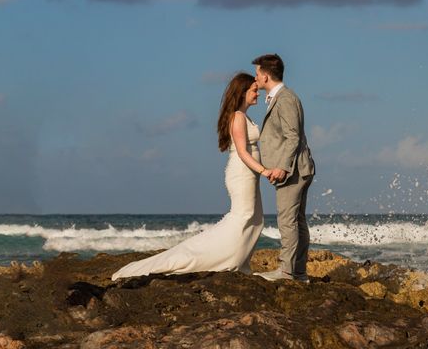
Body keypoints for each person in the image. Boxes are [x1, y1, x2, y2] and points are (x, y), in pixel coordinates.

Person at [111, 73, 269, 280]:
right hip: (242, 173)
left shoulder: (243, 115)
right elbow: (242, 151)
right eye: (254, 90)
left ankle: (238, 261)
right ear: (243, 92)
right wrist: (265, 171)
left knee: (255, 218)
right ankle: (219, 259)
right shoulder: (238, 117)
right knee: (243, 216)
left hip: (247, 173)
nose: (258, 93)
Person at [252, 54, 315, 283]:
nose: (255, 78)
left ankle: (287, 272)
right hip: (298, 168)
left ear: (266, 75)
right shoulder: (280, 97)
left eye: (257, 74)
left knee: (287, 221)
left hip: (294, 170)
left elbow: (293, 137)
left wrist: (282, 167)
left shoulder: (285, 98)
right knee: (296, 221)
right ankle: (298, 272)